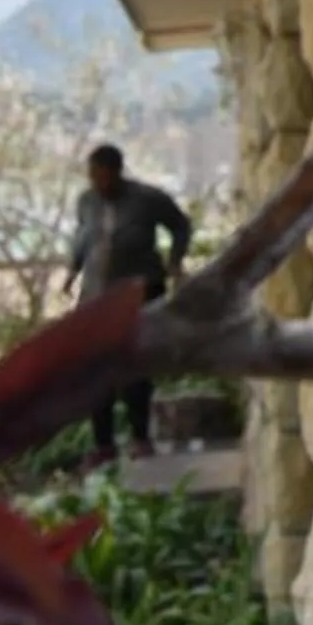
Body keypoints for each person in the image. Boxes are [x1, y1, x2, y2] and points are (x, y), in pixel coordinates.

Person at [66, 143, 193, 465]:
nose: (97, 182)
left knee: (135, 366)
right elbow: (83, 237)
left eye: (102, 175)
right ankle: (103, 444)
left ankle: (140, 438)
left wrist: (175, 262)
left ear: (117, 172)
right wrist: (72, 272)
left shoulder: (148, 199)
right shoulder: (87, 201)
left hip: (140, 293)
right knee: (96, 371)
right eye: (92, 176)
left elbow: (180, 225)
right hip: (95, 297)